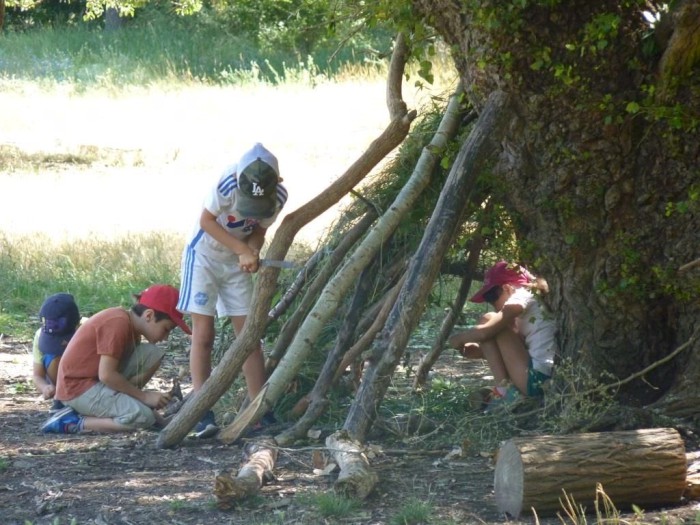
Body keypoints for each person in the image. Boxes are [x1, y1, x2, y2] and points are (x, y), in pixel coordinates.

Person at [177, 142, 288, 438]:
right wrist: (242, 248)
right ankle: (201, 409)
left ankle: (258, 411)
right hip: (204, 256)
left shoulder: (278, 196)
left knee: (249, 335)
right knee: (204, 335)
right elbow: (206, 221)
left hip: (236, 263)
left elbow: (260, 230)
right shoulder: (226, 184)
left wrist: (252, 250)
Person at [41, 284, 191, 434]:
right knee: (142, 418)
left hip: (95, 382)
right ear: (149, 315)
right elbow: (106, 375)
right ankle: (73, 421)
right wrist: (145, 397)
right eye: (166, 329)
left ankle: (125, 407)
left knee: (153, 354)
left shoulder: (132, 328)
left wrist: (161, 420)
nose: (165, 337)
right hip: (76, 388)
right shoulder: (118, 323)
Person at [448, 261, 557, 408]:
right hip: (540, 379)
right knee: (491, 321)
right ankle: (504, 391)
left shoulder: (521, 295)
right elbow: (519, 348)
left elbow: (485, 332)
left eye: (491, 296)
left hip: (535, 380)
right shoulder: (529, 303)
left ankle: (504, 391)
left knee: (490, 320)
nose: (492, 303)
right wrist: (481, 352)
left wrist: (458, 339)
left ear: (507, 288)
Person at [32, 293, 81, 413]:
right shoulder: (39, 336)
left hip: (85, 378)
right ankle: (61, 397)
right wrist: (45, 387)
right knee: (52, 357)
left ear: (77, 324)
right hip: (56, 380)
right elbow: (37, 375)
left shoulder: (88, 329)